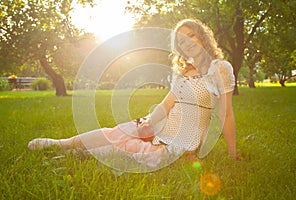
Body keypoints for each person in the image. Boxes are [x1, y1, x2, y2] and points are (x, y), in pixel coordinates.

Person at [28, 19, 237, 171]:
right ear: (179, 49)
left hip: (180, 139)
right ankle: (61, 144)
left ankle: (77, 152)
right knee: (117, 132)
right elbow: (166, 105)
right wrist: (147, 123)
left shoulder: (220, 68)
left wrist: (231, 153)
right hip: (160, 125)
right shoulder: (182, 74)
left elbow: (225, 114)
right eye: (181, 41)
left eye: (191, 35)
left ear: (202, 36)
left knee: (127, 149)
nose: (188, 42)